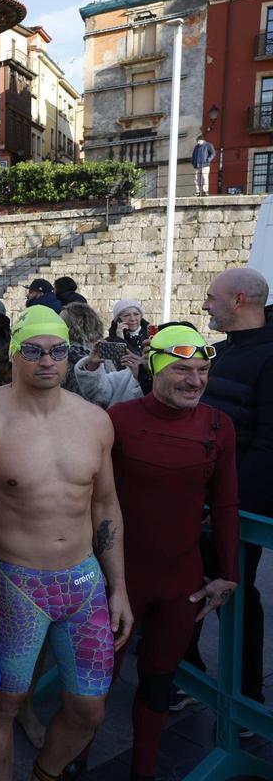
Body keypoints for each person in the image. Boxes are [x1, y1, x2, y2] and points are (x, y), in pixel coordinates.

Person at [0, 305, 133, 781]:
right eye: (34, 350)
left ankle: (44, 775)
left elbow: (105, 506)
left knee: (90, 709)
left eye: (58, 351)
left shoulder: (94, 421)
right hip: (15, 581)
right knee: (4, 702)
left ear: (69, 356)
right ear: (15, 354)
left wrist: (118, 586)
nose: (47, 360)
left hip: (83, 581)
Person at [105, 324, 238, 780]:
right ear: (156, 367)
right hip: (121, 580)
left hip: (181, 580)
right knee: (95, 687)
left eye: (202, 370)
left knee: (159, 682)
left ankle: (143, 772)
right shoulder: (119, 419)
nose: (194, 380)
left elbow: (224, 503)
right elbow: (94, 501)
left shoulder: (219, 425)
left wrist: (229, 572)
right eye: (182, 368)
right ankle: (71, 763)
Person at [188, 267, 273, 712]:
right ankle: (187, 675)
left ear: (238, 300)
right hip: (198, 502)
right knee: (190, 582)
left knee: (233, 591)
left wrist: (226, 507)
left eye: (210, 297)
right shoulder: (219, 353)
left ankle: (246, 700)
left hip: (234, 508)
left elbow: (267, 446)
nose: (205, 305)